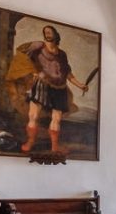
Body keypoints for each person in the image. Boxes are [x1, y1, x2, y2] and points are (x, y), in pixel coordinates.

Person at [18, 25, 89, 154]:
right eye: (45, 32)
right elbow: (23, 58)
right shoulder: (38, 47)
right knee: (33, 115)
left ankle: (55, 147)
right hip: (42, 85)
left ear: (56, 35)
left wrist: (80, 85)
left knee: (57, 119)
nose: (47, 34)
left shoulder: (62, 54)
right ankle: (30, 142)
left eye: (50, 32)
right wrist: (34, 72)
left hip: (60, 88)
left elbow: (67, 73)